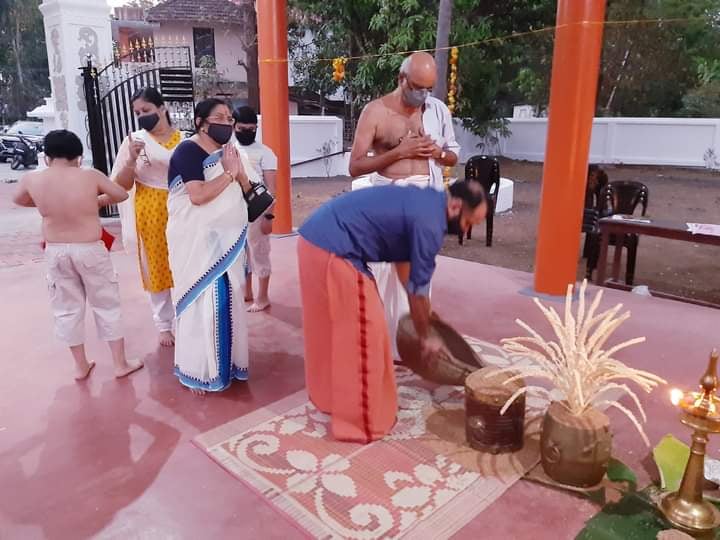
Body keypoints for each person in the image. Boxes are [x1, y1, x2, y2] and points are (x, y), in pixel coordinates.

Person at [297, 181, 487, 443]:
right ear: (455, 206)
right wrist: (426, 335)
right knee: (366, 338)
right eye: (470, 221)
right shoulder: (430, 223)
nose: (468, 230)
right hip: (335, 250)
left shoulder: (426, 203)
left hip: (314, 242)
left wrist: (427, 319)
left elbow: (405, 266)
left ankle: (331, 400)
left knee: (335, 333)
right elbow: (417, 290)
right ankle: (360, 425)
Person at [348, 52, 461, 360]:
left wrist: (437, 153)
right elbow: (355, 166)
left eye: (429, 88)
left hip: (425, 199)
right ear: (402, 79)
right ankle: (382, 343)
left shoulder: (437, 111)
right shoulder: (375, 112)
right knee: (384, 276)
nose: (424, 95)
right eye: (418, 87)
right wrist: (400, 153)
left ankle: (411, 344)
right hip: (387, 200)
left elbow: (453, 156)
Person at [12, 130, 144, 380]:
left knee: (66, 308)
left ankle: (81, 366)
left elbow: (19, 199)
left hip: (56, 250)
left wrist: (44, 204)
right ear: (78, 156)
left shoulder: (33, 179)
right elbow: (121, 194)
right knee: (106, 304)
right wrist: (94, 201)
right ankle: (119, 364)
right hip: (89, 248)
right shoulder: (89, 175)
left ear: (47, 157)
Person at [166, 98, 256, 393]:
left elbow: (248, 190)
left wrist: (238, 172)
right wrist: (229, 173)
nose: (226, 123)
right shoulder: (187, 150)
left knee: (229, 302)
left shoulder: (230, 152)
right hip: (197, 244)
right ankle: (198, 370)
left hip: (226, 242)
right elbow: (198, 196)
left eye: (229, 118)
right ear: (200, 122)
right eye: (219, 117)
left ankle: (228, 365)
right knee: (202, 304)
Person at [111, 87, 184, 347]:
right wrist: (130, 159)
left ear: (162, 108)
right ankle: (163, 323)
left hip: (182, 206)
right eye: (137, 112)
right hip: (151, 209)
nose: (142, 116)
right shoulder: (134, 140)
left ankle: (187, 318)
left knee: (185, 261)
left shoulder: (184, 139)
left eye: (147, 110)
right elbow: (121, 184)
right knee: (156, 265)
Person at [233, 105, 278, 312]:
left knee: (259, 253)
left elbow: (271, 189)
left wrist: (269, 216)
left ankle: (262, 297)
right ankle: (247, 292)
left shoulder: (265, 153)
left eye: (251, 129)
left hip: (257, 211)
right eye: (242, 128)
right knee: (240, 255)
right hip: (232, 210)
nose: (247, 132)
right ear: (234, 126)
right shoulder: (228, 149)